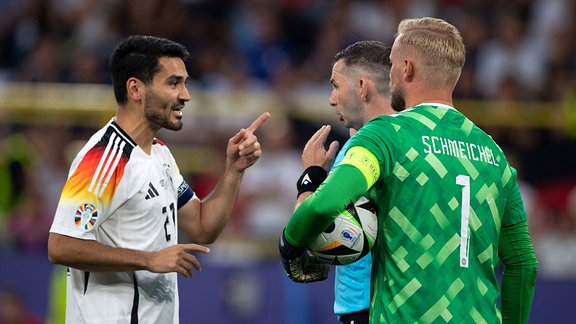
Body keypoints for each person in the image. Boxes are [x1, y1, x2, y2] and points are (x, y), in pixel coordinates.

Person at [279, 17, 538, 323]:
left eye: (391, 64)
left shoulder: (385, 136)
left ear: (407, 68)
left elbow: (324, 204)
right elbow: (523, 263)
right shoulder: (493, 153)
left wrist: (290, 245)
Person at [47, 35, 269, 324]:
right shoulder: (104, 159)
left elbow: (202, 227)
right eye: (173, 83)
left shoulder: (160, 154)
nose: (185, 95)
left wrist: (234, 170)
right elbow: (61, 245)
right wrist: (149, 259)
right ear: (136, 88)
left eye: (185, 83)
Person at [292, 40, 398, 324]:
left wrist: (310, 178)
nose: (331, 98)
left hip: (368, 307)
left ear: (362, 88)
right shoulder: (410, 140)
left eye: (336, 86)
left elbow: (311, 226)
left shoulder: (361, 150)